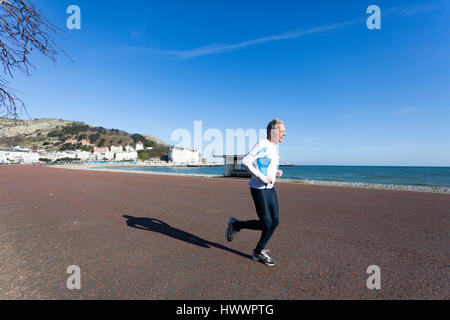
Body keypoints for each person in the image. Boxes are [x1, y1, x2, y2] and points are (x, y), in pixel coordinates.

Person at [226, 119, 286, 266]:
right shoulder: (263, 144)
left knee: (275, 221)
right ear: (272, 132)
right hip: (259, 189)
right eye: (282, 131)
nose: (284, 134)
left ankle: (259, 251)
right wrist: (262, 177)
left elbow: (264, 164)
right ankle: (236, 225)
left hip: (270, 189)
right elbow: (246, 161)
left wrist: (275, 171)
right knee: (266, 223)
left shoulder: (273, 147)